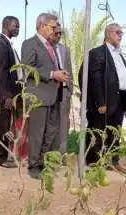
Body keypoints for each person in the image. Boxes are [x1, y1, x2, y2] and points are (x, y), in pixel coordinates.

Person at [78, 23, 126, 174]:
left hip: (119, 100)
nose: (120, 35)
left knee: (115, 133)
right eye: (118, 32)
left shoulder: (119, 54)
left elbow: (119, 76)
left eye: (122, 33)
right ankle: (95, 163)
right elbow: (95, 78)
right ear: (108, 34)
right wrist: (100, 102)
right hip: (104, 101)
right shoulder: (97, 53)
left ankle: (113, 161)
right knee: (98, 132)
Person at [21, 13, 68, 179]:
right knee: (37, 133)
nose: (55, 30)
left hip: (53, 95)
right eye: (52, 27)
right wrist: (52, 74)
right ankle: (33, 166)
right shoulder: (30, 44)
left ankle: (41, 163)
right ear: (41, 26)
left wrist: (59, 73)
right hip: (38, 95)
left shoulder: (51, 46)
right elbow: (28, 68)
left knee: (50, 132)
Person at [0, 16, 22, 168]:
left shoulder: (7, 44)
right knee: (1, 125)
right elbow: (1, 72)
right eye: (16, 26)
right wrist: (7, 95)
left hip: (6, 94)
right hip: (3, 96)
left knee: (2, 124)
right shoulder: (1, 44)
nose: (18, 29)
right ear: (7, 25)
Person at [51, 22, 73, 157]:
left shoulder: (65, 49)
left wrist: (70, 89)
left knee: (64, 124)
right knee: (51, 125)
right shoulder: (44, 48)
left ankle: (62, 154)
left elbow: (69, 69)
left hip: (64, 92)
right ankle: (50, 155)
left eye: (60, 33)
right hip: (50, 91)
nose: (58, 35)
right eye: (56, 32)